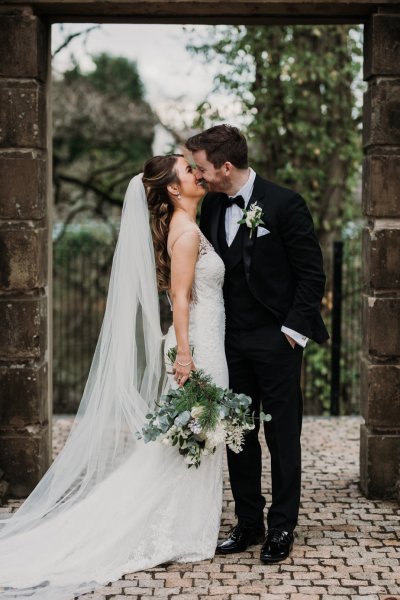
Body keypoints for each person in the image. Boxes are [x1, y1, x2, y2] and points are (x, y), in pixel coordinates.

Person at [0, 155, 228, 600]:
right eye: (188, 171)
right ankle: (178, 530)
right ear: (175, 191)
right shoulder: (184, 234)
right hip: (197, 344)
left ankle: (186, 525)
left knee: (195, 436)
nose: (196, 174)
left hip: (207, 339)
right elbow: (180, 300)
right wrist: (185, 356)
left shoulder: (189, 227)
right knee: (193, 435)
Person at [186, 124, 329, 563]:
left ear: (226, 166)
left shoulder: (285, 203)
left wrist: (291, 332)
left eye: (203, 167)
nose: (199, 175)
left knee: (283, 434)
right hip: (229, 340)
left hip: (276, 338)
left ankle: (283, 525)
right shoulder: (210, 206)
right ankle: (249, 522)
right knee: (239, 434)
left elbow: (312, 275)